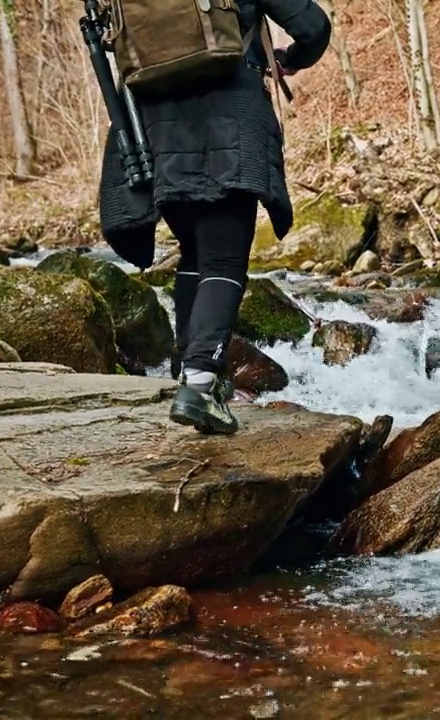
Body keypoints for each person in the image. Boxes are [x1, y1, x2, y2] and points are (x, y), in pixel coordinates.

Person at [102, 0, 331, 435]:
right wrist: (289, 59)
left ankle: (186, 371)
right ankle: (201, 384)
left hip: (154, 122)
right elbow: (314, 27)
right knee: (224, 259)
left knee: (195, 253)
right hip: (230, 111)